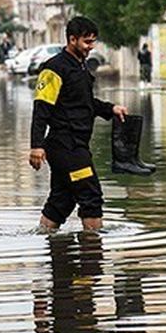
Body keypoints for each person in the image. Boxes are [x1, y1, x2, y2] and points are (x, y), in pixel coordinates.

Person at [29, 16, 127, 232]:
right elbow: (41, 109)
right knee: (90, 195)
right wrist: (36, 146)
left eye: (93, 42)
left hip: (75, 145)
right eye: (87, 42)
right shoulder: (54, 69)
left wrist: (110, 109)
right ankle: (92, 254)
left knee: (62, 200)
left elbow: (85, 103)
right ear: (72, 39)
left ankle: (50, 246)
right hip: (66, 146)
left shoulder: (80, 66)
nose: (91, 47)